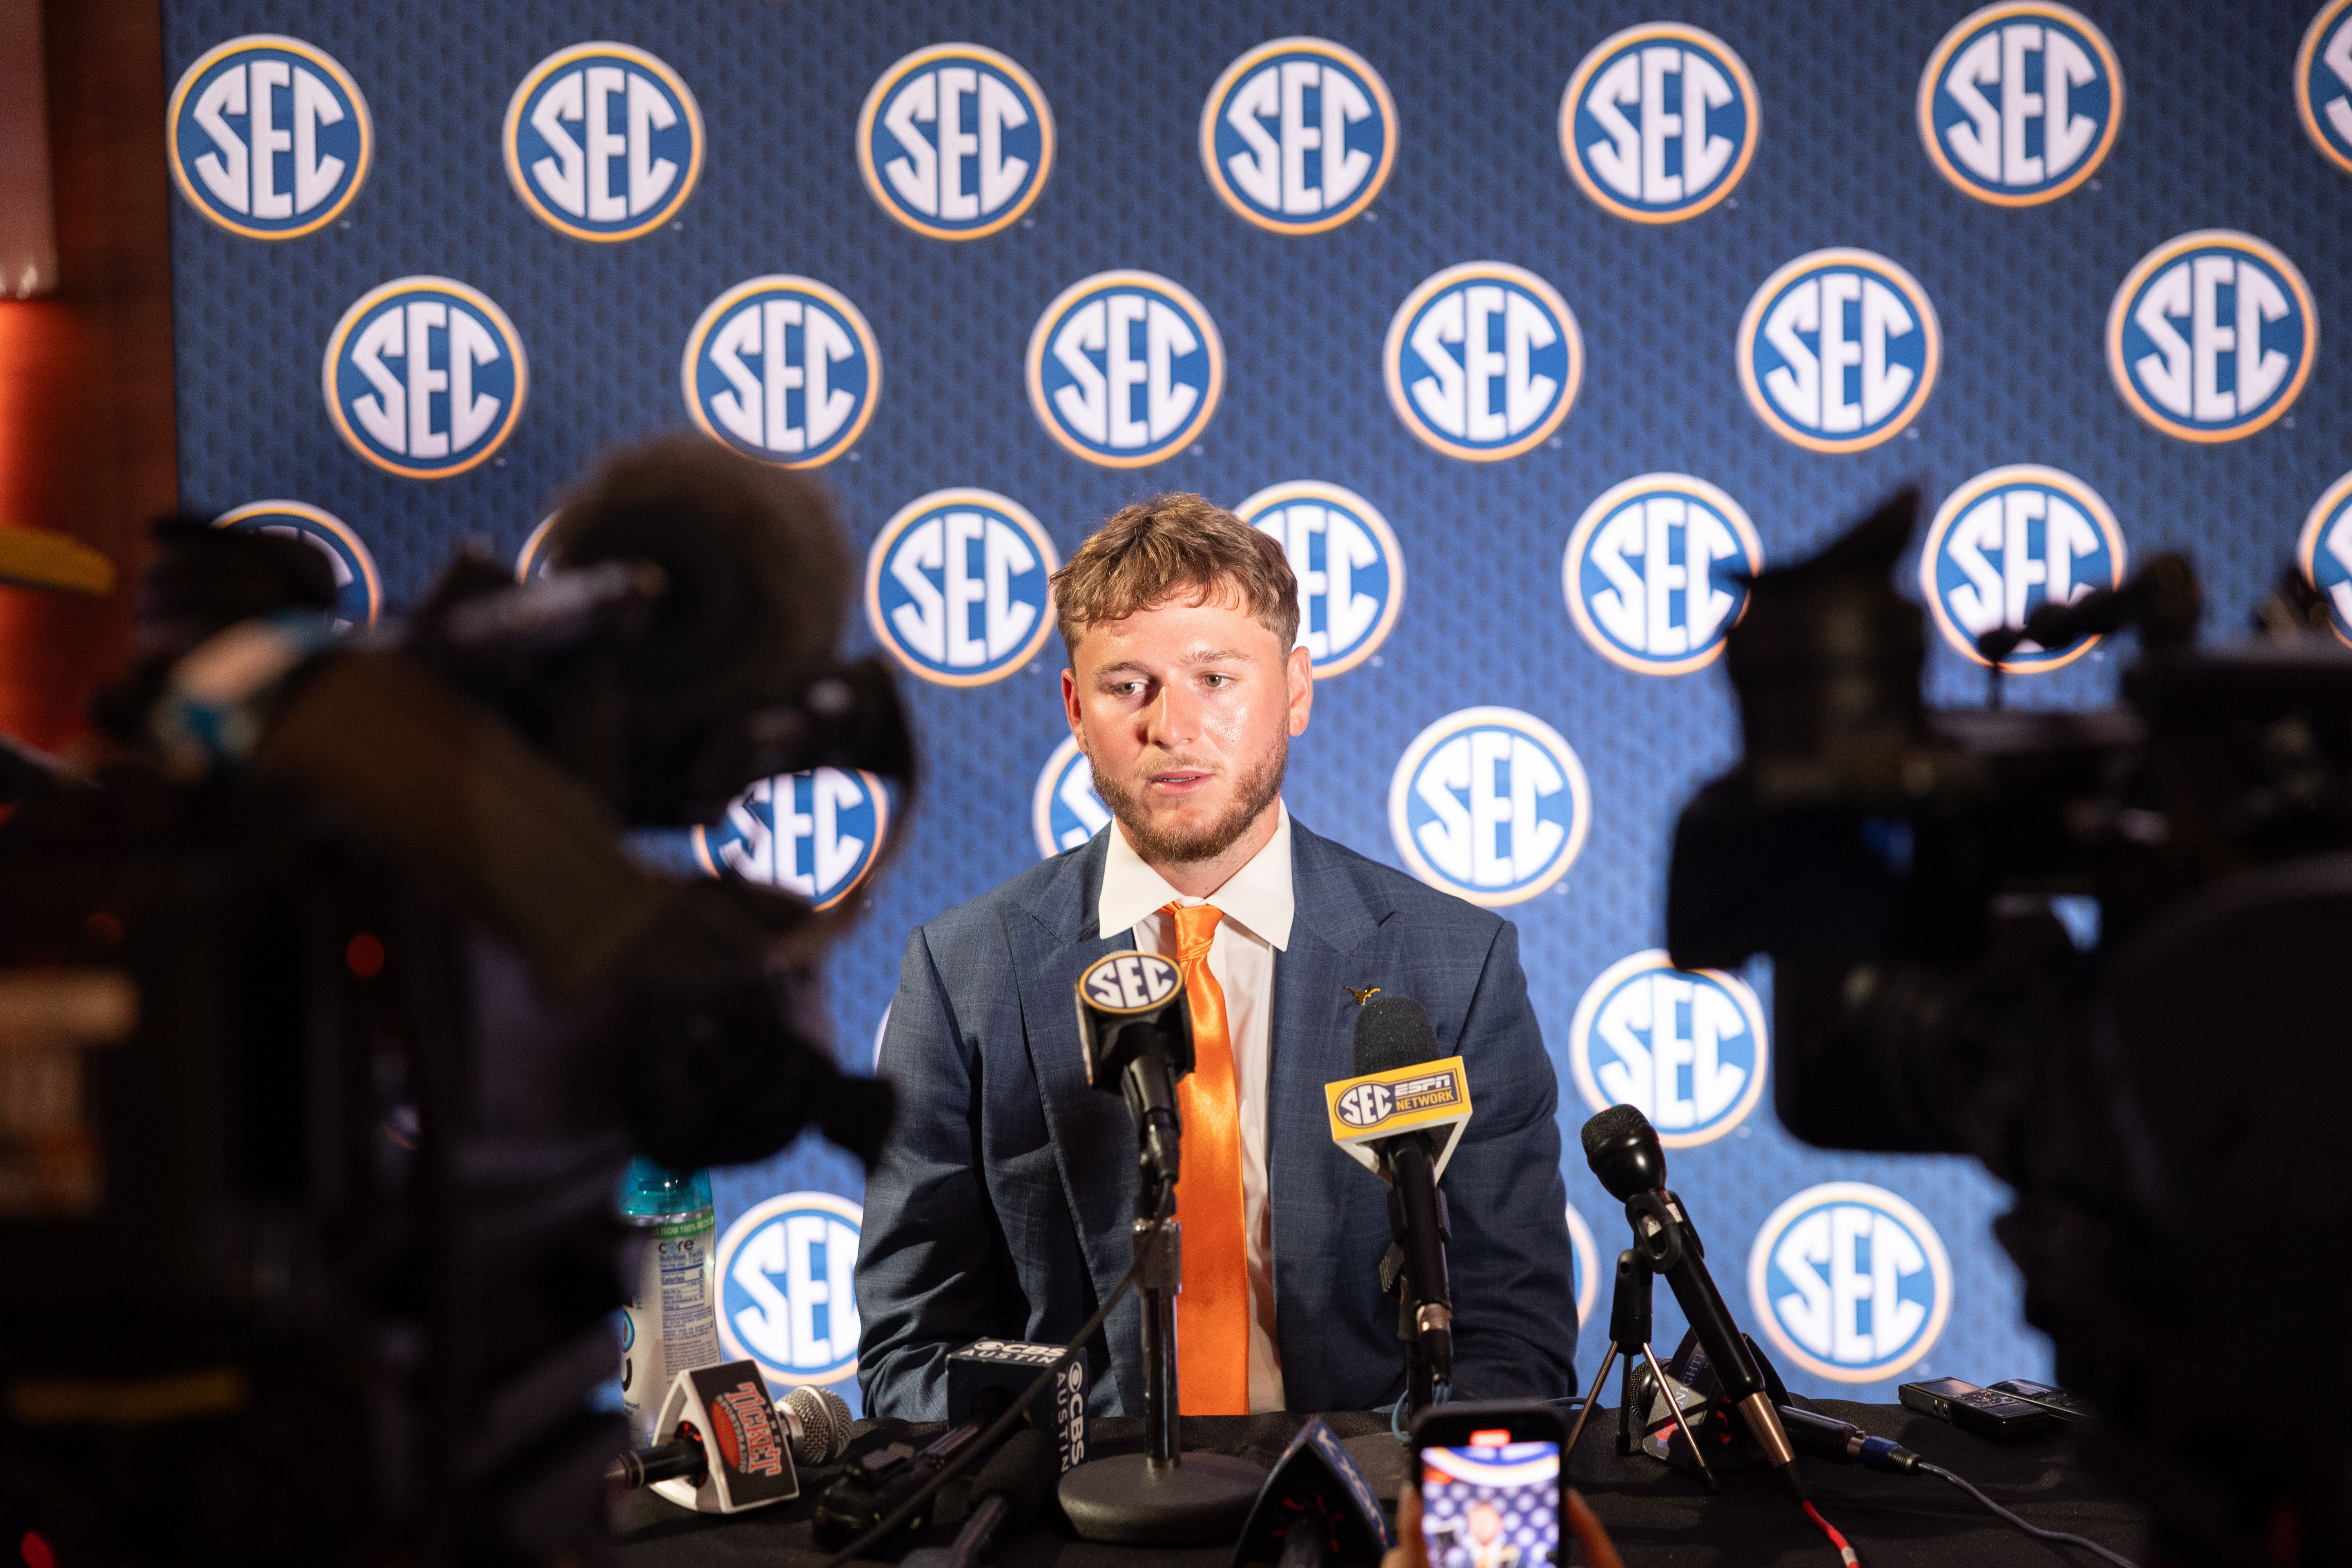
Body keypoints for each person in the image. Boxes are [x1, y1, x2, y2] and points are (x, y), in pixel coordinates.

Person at [855, 492, 1577, 1417]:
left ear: (1298, 691)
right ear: (1077, 709)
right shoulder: (963, 974)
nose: (1173, 726)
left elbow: (1515, 1334)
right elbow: (912, 1351)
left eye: (1216, 677)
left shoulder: (1455, 965)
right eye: (1127, 685)